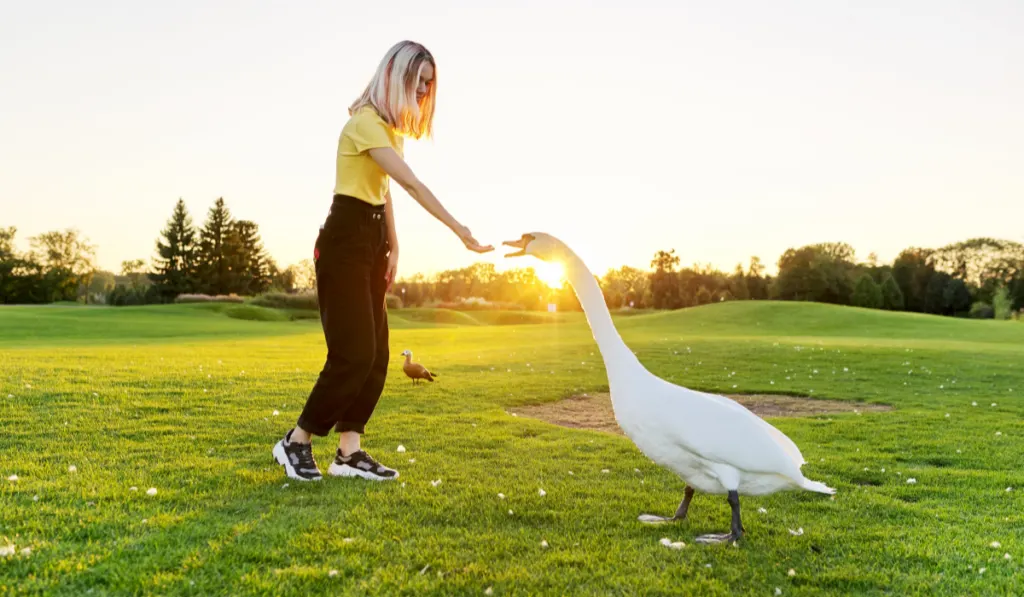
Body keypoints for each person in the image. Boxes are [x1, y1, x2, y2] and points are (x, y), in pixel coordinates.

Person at [273, 40, 493, 482]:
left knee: (377, 356)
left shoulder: (390, 132)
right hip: (344, 239)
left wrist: (392, 242)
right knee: (353, 353)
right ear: (398, 77)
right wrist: (459, 229)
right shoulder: (365, 123)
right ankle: (295, 441)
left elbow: (385, 189)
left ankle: (348, 452)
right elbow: (409, 184)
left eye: (431, 85)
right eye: (420, 82)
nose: (426, 92)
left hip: (370, 239)